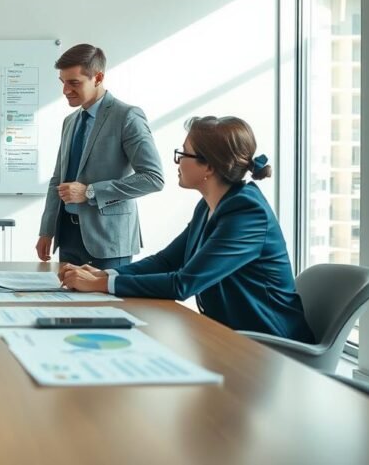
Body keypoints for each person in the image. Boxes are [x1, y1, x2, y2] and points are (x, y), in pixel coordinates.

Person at [59, 116, 315, 342]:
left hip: (270, 344)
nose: (177, 162)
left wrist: (103, 284)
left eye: (183, 154)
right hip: (229, 336)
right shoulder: (209, 206)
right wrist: (107, 274)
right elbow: (167, 261)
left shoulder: (247, 213)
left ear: (210, 167)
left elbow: (184, 283)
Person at [36, 43, 164, 268]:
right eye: (63, 82)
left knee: (107, 305)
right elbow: (58, 179)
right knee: (65, 303)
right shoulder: (71, 121)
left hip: (109, 241)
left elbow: (153, 178)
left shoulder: (127, 117)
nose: (65, 90)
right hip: (67, 237)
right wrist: (47, 230)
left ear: (98, 77)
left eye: (74, 82)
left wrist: (90, 192)